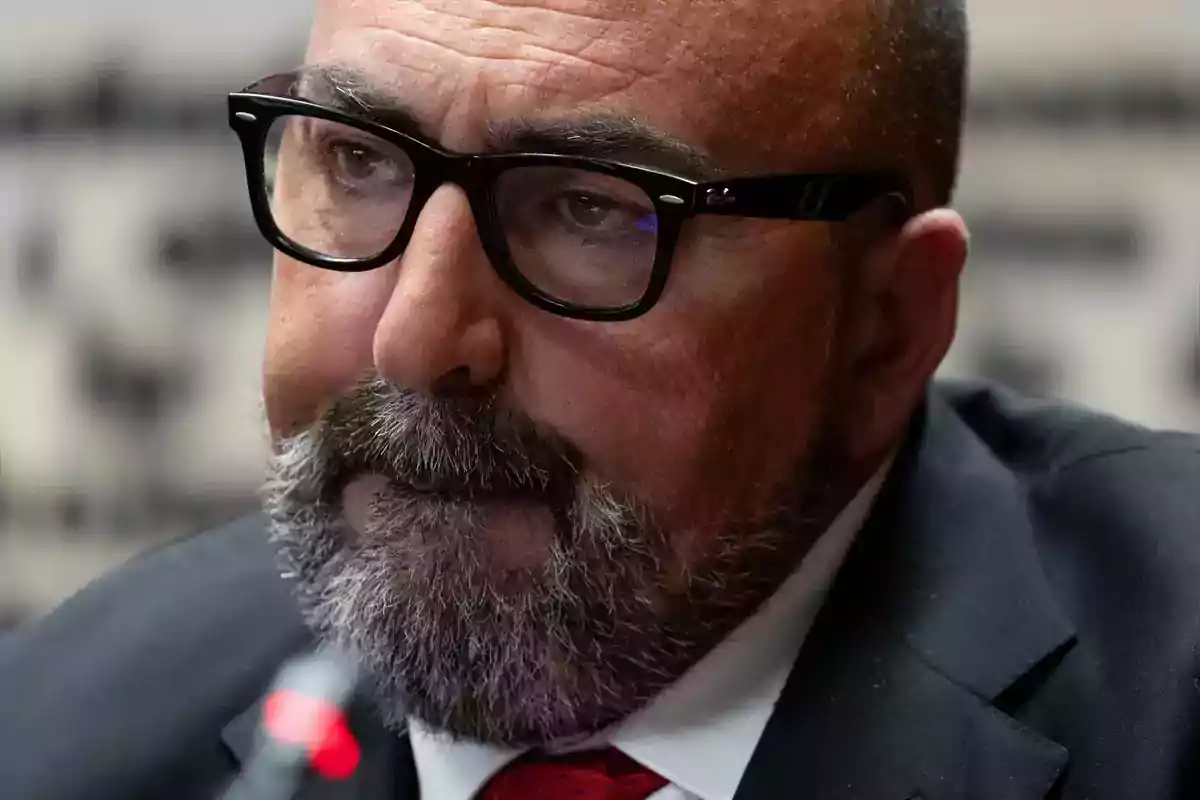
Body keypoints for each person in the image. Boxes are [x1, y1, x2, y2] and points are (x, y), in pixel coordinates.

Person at [2, 0, 1197, 798]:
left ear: (885, 325)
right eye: (358, 161)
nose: (420, 341)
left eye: (593, 208)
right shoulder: (69, 729)